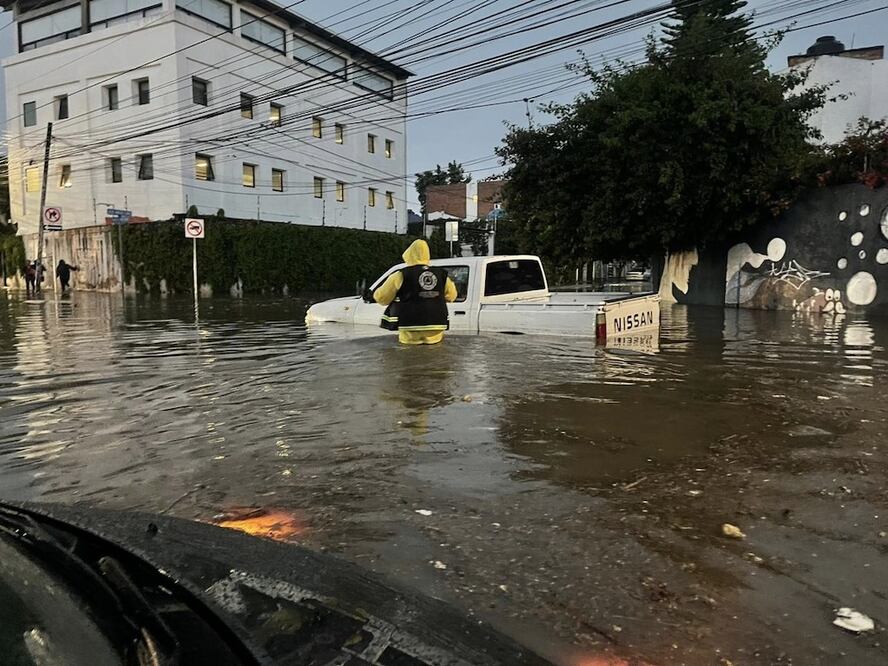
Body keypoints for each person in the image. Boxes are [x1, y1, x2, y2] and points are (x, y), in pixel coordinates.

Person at [372, 239, 457, 346]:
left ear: (409, 254)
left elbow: (382, 298)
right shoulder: (441, 274)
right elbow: (452, 296)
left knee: (408, 357)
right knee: (435, 355)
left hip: (409, 325)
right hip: (436, 325)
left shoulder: (401, 275)